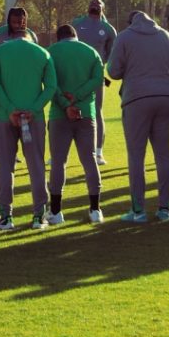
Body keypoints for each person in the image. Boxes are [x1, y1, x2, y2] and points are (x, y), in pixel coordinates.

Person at [107, 10, 169, 223]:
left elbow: (113, 71)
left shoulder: (125, 37)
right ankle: (164, 208)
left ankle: (138, 210)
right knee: (163, 154)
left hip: (136, 98)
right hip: (164, 97)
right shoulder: (165, 36)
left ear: (131, 21)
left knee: (136, 156)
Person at [0, 11, 58, 231]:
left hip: (4, 117)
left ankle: (6, 216)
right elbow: (52, 87)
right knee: (36, 165)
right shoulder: (43, 54)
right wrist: (33, 110)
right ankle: (38, 216)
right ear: (29, 35)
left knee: (6, 166)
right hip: (33, 119)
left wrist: (10, 109)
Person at [47, 24, 105, 224]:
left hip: (59, 114)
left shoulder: (50, 52)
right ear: (76, 36)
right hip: (86, 113)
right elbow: (98, 79)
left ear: (58, 37)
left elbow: (49, 83)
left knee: (58, 161)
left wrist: (65, 103)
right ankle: (95, 209)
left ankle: (55, 212)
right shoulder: (91, 52)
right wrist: (78, 97)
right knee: (89, 160)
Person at [72, 0, 116, 166]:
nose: (94, 5)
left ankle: (98, 152)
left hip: (95, 76)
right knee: (66, 110)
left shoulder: (108, 29)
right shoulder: (77, 23)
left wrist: (102, 71)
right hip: (75, 74)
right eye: (92, 3)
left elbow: (111, 55)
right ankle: (58, 155)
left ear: (103, 8)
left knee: (96, 112)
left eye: (98, 4)